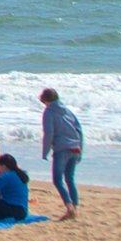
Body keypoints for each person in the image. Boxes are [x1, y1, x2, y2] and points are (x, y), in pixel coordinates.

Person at [41, 87, 84, 221]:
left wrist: (45, 151)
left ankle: (70, 207)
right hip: (75, 147)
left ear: (46, 101)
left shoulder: (49, 112)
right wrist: (80, 148)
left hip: (62, 149)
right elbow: (79, 130)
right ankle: (74, 208)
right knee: (69, 179)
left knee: (57, 180)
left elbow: (49, 133)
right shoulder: (68, 111)